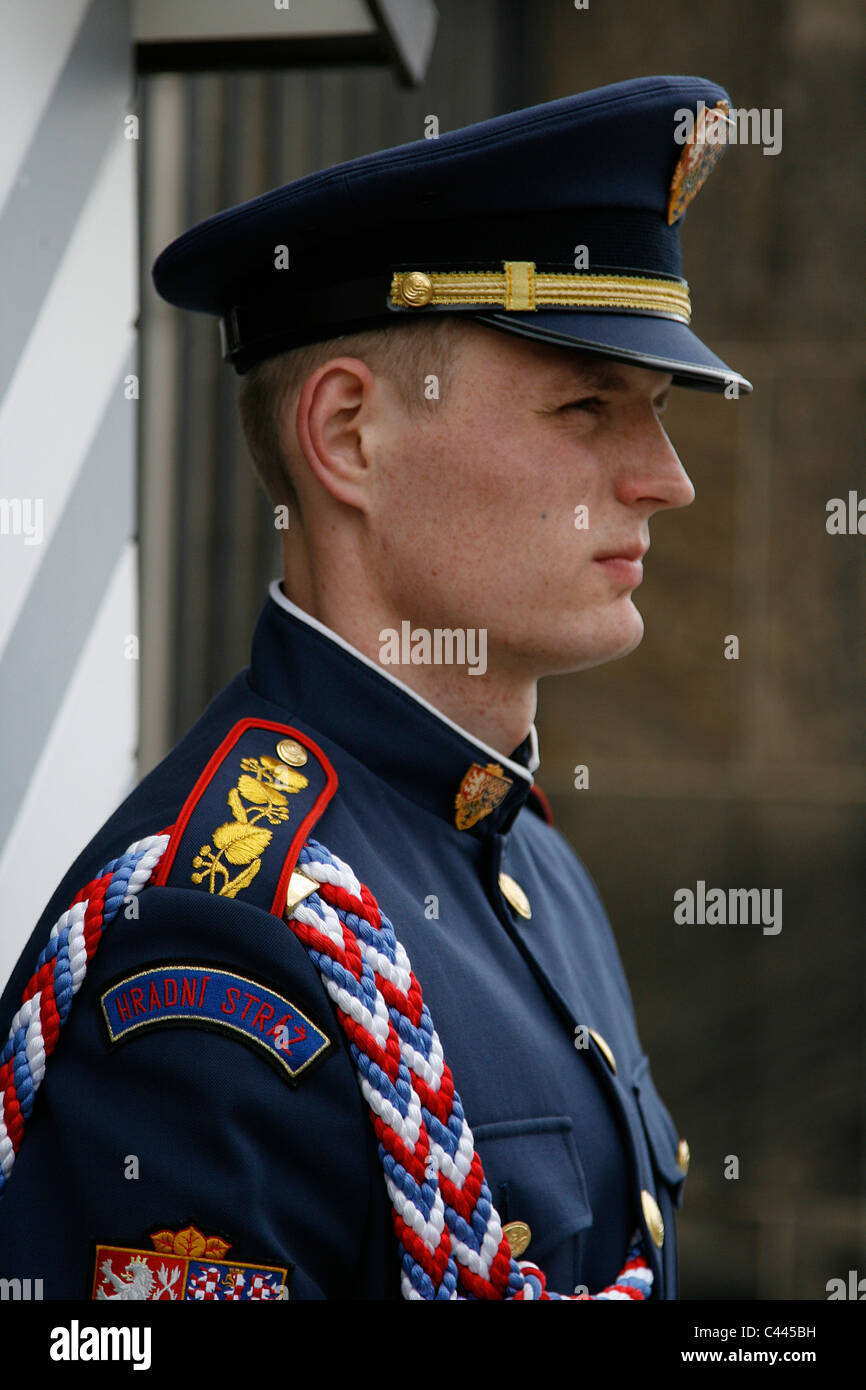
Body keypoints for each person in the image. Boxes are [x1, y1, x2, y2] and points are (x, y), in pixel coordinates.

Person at [0, 75, 749, 1300]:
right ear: (348, 435)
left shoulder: (514, 850)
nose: (664, 479)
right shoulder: (222, 940)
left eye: (656, 413)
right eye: (586, 405)